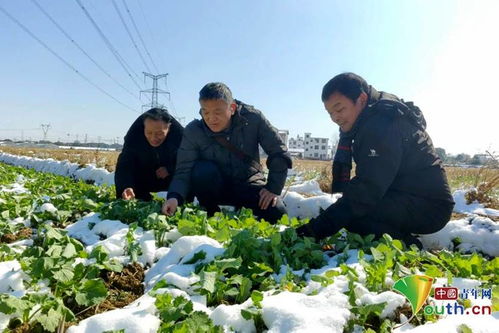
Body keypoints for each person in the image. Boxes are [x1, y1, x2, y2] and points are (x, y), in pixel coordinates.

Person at [296, 73, 454, 246]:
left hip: (429, 207)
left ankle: (408, 246)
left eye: (339, 109)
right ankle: (397, 234)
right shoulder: (373, 115)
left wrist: (315, 230)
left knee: (354, 217)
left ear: (362, 99)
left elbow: (367, 188)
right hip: (406, 194)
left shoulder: (381, 125)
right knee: (352, 210)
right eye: (330, 113)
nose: (335, 118)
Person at [162, 82, 292, 223]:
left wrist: (273, 188)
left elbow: (278, 152)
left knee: (277, 213)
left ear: (232, 108)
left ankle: (242, 209)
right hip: (215, 188)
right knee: (201, 170)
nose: (211, 118)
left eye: (217, 112)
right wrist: (174, 197)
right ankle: (210, 211)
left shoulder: (253, 119)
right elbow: (183, 169)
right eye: (205, 112)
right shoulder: (194, 131)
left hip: (248, 183)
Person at [115, 108, 183, 201]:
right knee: (128, 169)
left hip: (170, 177)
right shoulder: (134, 133)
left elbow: (189, 158)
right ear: (144, 127)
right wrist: (125, 186)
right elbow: (125, 163)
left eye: (159, 133)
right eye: (149, 133)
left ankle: (181, 200)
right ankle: (135, 197)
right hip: (146, 175)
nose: (153, 138)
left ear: (169, 127)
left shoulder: (179, 133)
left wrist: (170, 168)